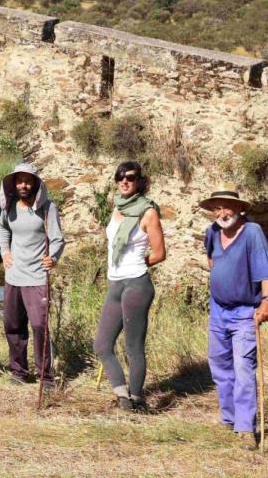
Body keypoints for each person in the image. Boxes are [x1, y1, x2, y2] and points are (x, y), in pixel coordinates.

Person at [200, 186, 268, 449]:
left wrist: (267, 302)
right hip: (218, 310)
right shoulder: (212, 232)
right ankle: (230, 417)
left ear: (239, 208)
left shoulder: (252, 233)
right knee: (219, 365)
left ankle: (245, 427)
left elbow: (266, 269)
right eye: (217, 207)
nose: (222, 212)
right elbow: (211, 260)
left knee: (243, 367)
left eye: (227, 206)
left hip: (245, 311)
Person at [93, 161, 166, 411]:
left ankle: (136, 400)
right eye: (120, 177)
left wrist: (136, 263)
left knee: (133, 346)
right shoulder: (116, 207)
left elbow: (159, 253)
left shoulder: (148, 212)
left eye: (131, 178)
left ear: (139, 182)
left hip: (137, 283)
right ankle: (122, 395)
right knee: (102, 345)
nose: (125, 181)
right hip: (115, 283)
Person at [0, 162, 65, 388]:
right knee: (13, 325)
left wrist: (52, 258)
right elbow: (3, 228)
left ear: (35, 183)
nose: (23, 185)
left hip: (36, 277)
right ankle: (18, 371)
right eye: (19, 181)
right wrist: (5, 252)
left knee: (38, 325)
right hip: (13, 276)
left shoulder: (47, 208)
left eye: (27, 180)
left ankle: (45, 377)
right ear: (14, 184)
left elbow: (57, 239)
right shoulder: (10, 207)